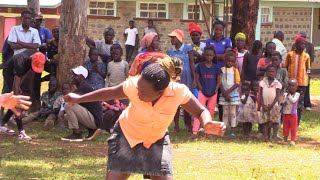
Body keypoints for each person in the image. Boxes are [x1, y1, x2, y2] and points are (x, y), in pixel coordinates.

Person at [64, 62, 226, 179]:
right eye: (139, 88)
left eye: (143, 92)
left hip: (156, 138)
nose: (138, 93)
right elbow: (107, 93)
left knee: (162, 177)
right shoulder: (134, 86)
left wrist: (207, 122)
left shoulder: (177, 92)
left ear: (160, 92)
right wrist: (79, 98)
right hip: (127, 135)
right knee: (117, 175)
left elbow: (200, 110)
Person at [0, 51, 45, 140]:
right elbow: (16, 78)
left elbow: (23, 74)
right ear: (32, 60)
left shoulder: (31, 61)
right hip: (9, 75)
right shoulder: (20, 61)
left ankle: (1, 124)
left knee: (18, 100)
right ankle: (21, 132)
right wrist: (16, 95)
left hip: (17, 76)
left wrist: (20, 86)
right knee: (16, 102)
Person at [61, 66, 103, 142]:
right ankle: (91, 131)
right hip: (93, 119)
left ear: (82, 77)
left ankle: (76, 134)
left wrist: (63, 106)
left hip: (94, 121)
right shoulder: (83, 87)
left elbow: (68, 99)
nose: (72, 77)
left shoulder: (84, 88)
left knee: (68, 105)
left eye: (75, 75)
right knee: (66, 117)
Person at [167, 29, 196, 133]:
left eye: (173, 37)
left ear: (179, 38)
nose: (171, 39)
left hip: (187, 78)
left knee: (187, 101)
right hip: (175, 79)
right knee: (175, 103)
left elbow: (192, 63)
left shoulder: (188, 48)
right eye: (171, 38)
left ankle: (189, 125)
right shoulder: (170, 52)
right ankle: (176, 126)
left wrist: (195, 78)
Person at [205, 19, 232, 122]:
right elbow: (207, 55)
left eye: (220, 30)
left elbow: (228, 56)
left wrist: (214, 55)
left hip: (223, 72)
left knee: (221, 98)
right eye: (216, 29)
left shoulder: (227, 41)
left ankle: (222, 122)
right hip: (210, 72)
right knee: (210, 96)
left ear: (223, 30)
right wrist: (220, 56)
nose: (218, 32)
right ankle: (208, 121)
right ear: (213, 30)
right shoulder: (209, 41)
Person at [193, 46, 222, 138]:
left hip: (213, 93)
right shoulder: (200, 66)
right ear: (204, 55)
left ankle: (209, 132)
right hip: (202, 92)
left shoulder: (216, 68)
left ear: (214, 56)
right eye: (207, 55)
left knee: (210, 112)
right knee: (199, 111)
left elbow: (219, 80)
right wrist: (200, 88)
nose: (209, 57)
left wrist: (216, 89)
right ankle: (195, 131)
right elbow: (197, 79)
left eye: (211, 55)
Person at [284, 35, 310, 126]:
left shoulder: (307, 56)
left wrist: (307, 79)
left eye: (304, 44)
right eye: (301, 44)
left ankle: (297, 122)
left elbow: (308, 69)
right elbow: (286, 67)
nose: (303, 46)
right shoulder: (290, 54)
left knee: (299, 103)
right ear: (296, 44)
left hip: (302, 83)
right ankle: (287, 121)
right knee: (289, 101)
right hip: (291, 83)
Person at [219, 50, 240, 137]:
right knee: (225, 113)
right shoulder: (221, 70)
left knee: (232, 113)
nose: (229, 62)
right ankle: (224, 129)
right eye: (228, 61)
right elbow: (219, 82)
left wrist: (228, 92)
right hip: (223, 94)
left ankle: (233, 129)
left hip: (233, 95)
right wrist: (224, 93)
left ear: (234, 62)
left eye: (232, 61)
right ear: (225, 60)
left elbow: (237, 82)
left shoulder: (235, 71)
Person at [292, 32, 315, 111]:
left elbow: (312, 58)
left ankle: (307, 104)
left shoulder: (310, 45)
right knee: (294, 87)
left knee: (306, 87)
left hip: (305, 70)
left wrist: (307, 70)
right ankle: (294, 102)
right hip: (294, 71)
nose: (303, 38)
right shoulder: (294, 45)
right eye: (302, 36)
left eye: (305, 37)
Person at [259, 65, 282, 142]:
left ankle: (274, 136)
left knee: (275, 121)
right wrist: (263, 104)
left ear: (275, 73)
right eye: (269, 71)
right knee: (265, 121)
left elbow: (277, 96)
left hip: (274, 106)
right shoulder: (263, 82)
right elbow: (260, 94)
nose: (271, 73)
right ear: (266, 72)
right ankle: (266, 136)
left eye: (273, 72)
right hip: (264, 105)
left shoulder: (277, 83)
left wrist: (271, 106)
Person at [281, 79, 300, 146]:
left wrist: (289, 95)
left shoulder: (297, 94)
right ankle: (285, 138)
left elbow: (293, 101)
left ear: (296, 87)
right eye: (290, 86)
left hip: (293, 114)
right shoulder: (285, 94)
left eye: (293, 86)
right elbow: (282, 102)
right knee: (285, 127)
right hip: (285, 113)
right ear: (288, 86)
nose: (292, 87)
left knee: (293, 127)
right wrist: (283, 103)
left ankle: (293, 139)